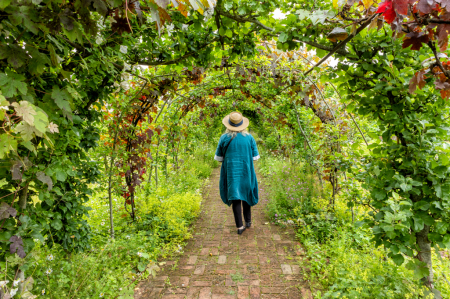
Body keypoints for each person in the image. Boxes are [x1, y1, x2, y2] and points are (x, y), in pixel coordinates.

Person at [214, 111, 260, 235]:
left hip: (232, 172)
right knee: (246, 193)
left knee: (236, 197)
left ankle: (239, 227)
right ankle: (248, 222)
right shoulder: (249, 137)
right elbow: (255, 157)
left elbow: (218, 158)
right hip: (246, 171)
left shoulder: (224, 138)